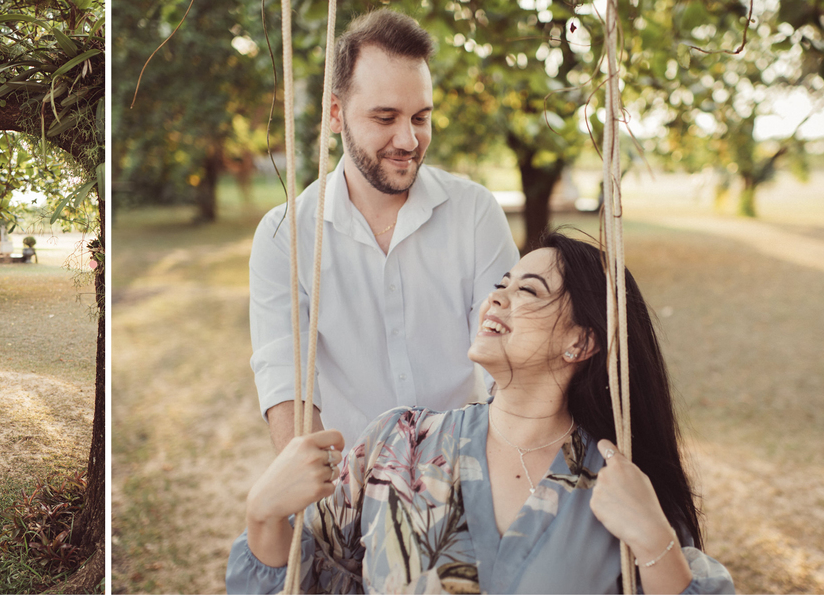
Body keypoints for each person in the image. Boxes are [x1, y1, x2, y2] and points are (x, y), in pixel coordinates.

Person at [228, 232, 735, 594]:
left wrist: (654, 540)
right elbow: (310, 580)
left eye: (528, 291)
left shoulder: (621, 486)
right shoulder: (397, 446)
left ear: (580, 342)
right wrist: (262, 516)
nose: (498, 297)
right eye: (503, 283)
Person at [250, 9, 518, 452]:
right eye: (385, 117)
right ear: (336, 113)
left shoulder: (475, 213)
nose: (409, 141)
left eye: (420, 117)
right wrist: (326, 503)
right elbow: (286, 384)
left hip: (465, 468)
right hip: (348, 482)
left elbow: (505, 365)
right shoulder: (285, 235)